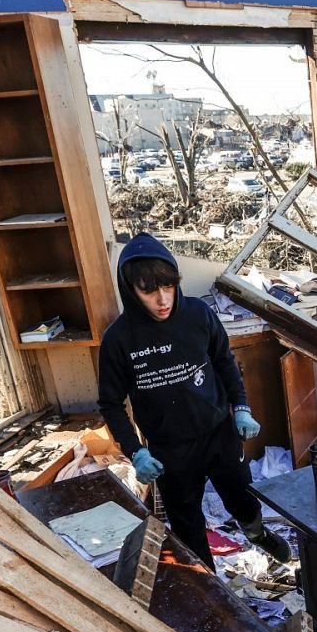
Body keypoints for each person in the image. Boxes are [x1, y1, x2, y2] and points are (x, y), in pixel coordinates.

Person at [97, 232, 290, 570]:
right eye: (149, 291)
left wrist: (241, 407)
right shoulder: (118, 340)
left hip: (218, 432)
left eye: (168, 287)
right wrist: (135, 451)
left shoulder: (198, 315)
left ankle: (257, 534)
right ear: (131, 291)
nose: (162, 300)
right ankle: (209, 586)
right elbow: (110, 404)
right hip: (169, 449)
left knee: (242, 499)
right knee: (186, 522)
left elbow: (224, 361)